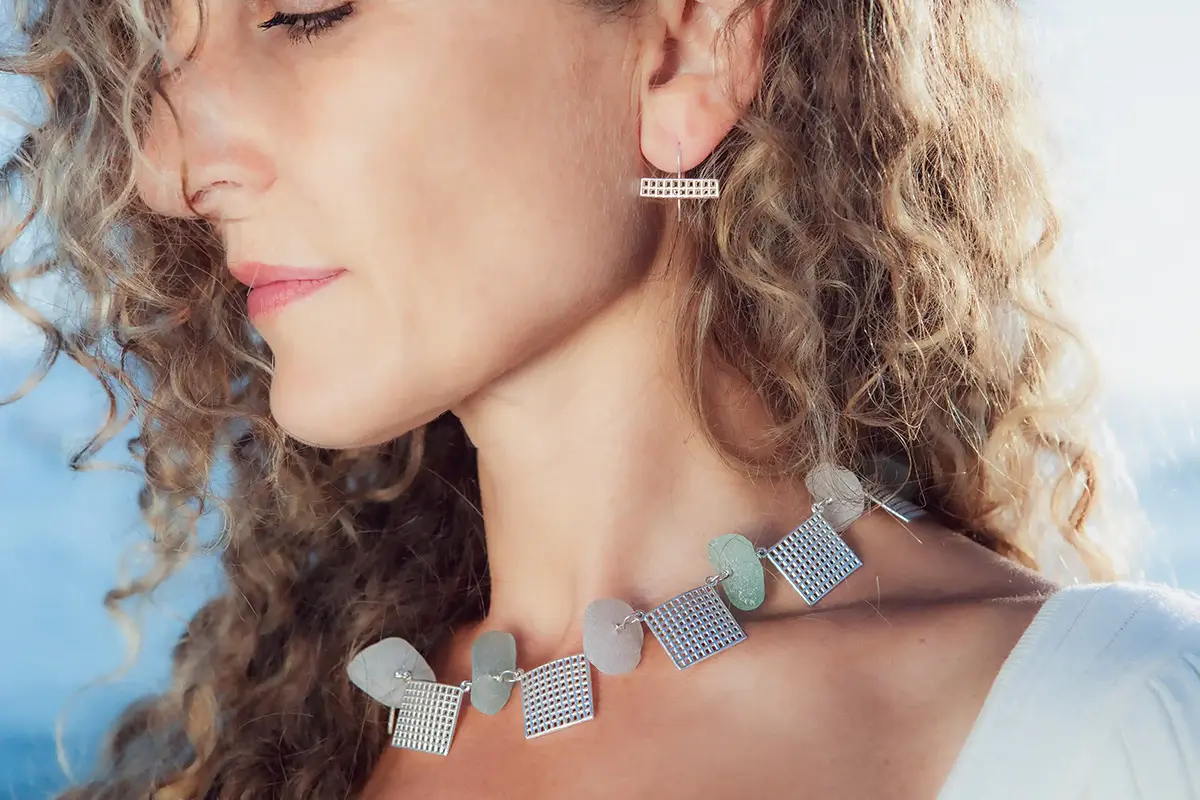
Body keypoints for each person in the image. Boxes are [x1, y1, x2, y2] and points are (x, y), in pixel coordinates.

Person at [2, 0, 1198, 797]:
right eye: (161, 46)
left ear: (689, 51)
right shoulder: (295, 732)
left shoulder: (1103, 726)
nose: (165, 169)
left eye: (306, 11)